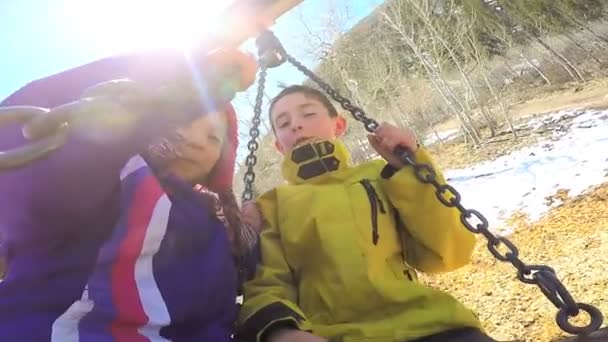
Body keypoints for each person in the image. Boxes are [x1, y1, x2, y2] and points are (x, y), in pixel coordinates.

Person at [0, 47, 259, 341]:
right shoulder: (115, 174)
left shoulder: (218, 230)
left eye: (213, 137)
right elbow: (59, 181)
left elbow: (215, 312)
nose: (195, 140)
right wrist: (187, 82)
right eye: (185, 122)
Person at [237, 85, 496, 342]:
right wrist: (279, 331)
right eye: (283, 123)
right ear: (279, 146)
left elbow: (447, 255)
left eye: (308, 114)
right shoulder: (274, 205)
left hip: (429, 325)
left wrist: (412, 166)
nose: (296, 125)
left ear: (338, 126)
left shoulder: (383, 176)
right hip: (334, 335)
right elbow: (267, 283)